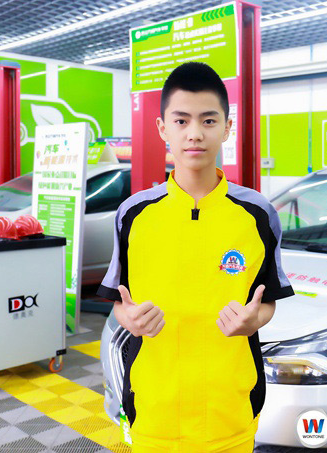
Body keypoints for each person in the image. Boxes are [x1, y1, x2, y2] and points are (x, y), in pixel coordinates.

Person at [98, 62, 295, 452]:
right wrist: (130, 319)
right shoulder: (133, 214)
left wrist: (255, 320)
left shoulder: (257, 214)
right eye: (181, 121)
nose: (194, 134)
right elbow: (120, 302)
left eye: (208, 120)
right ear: (162, 128)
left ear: (227, 127)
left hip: (229, 410)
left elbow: (267, 300)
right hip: (154, 408)